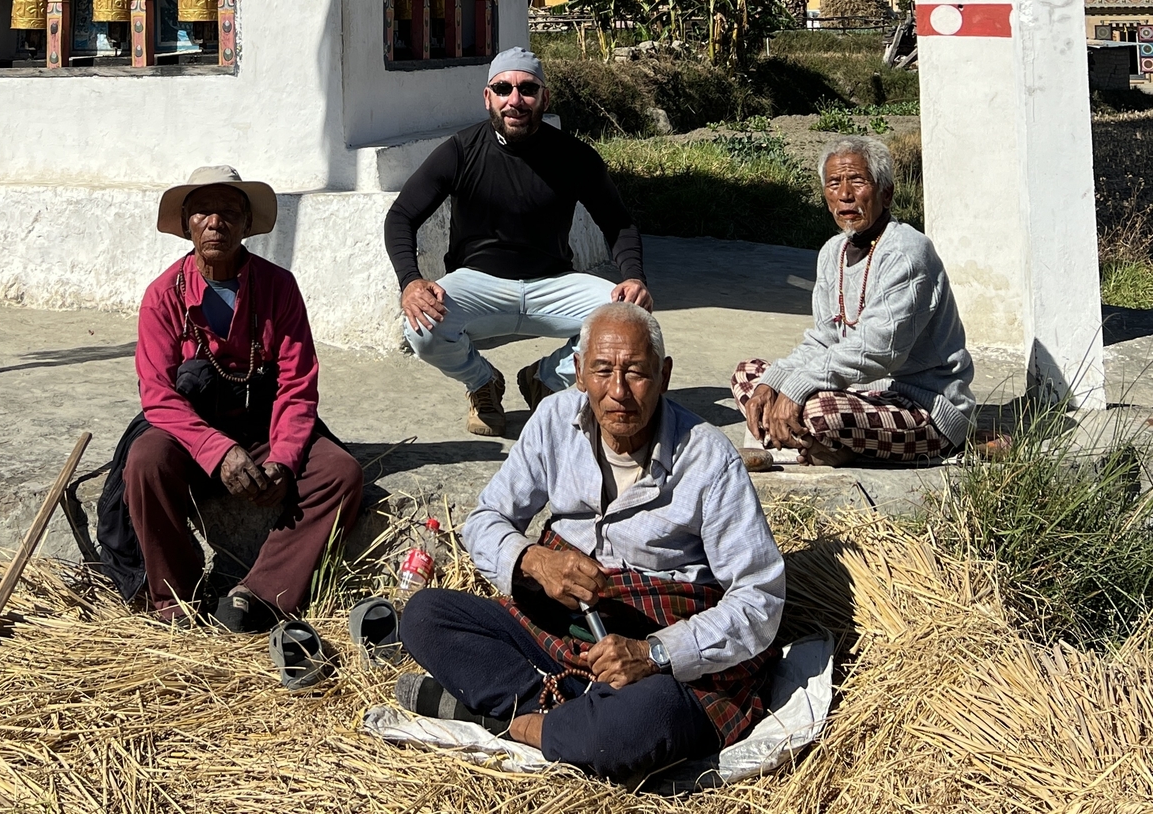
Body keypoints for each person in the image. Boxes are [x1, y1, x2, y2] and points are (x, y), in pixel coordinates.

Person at [396, 302, 785, 784]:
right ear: (579, 372)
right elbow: (485, 520)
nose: (618, 391)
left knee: (641, 722)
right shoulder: (554, 420)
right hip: (562, 629)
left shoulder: (708, 459)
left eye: (636, 373)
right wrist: (533, 559)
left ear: (664, 375)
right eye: (602, 371)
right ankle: (571, 719)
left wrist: (655, 654)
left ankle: (514, 722)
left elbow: (759, 598)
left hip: (656, 653)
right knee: (425, 616)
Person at [101, 168, 363, 628]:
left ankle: (257, 595)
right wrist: (217, 451)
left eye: (228, 212)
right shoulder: (163, 295)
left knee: (340, 473)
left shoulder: (278, 287)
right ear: (187, 225)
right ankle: (177, 600)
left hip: (263, 426)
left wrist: (283, 459)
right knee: (145, 461)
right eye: (203, 212)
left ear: (246, 224)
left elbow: (297, 384)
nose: (215, 223)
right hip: (190, 433)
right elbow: (158, 396)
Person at [384, 47, 652, 436]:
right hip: (478, 284)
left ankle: (546, 379)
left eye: (527, 89)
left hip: (552, 283)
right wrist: (410, 281)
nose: (515, 99)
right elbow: (401, 216)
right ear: (487, 97)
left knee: (632, 319)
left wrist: (634, 277)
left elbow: (618, 222)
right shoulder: (460, 151)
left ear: (545, 97)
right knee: (422, 327)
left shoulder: (574, 156)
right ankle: (482, 382)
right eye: (503, 88)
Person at [731, 135, 975, 466]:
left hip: (923, 406)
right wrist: (774, 385)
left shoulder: (907, 253)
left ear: (886, 193)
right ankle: (818, 444)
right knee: (750, 375)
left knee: (819, 410)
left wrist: (798, 387)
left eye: (857, 182)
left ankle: (806, 441)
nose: (845, 194)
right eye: (834, 184)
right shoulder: (833, 252)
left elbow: (878, 350)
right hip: (856, 393)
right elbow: (823, 339)